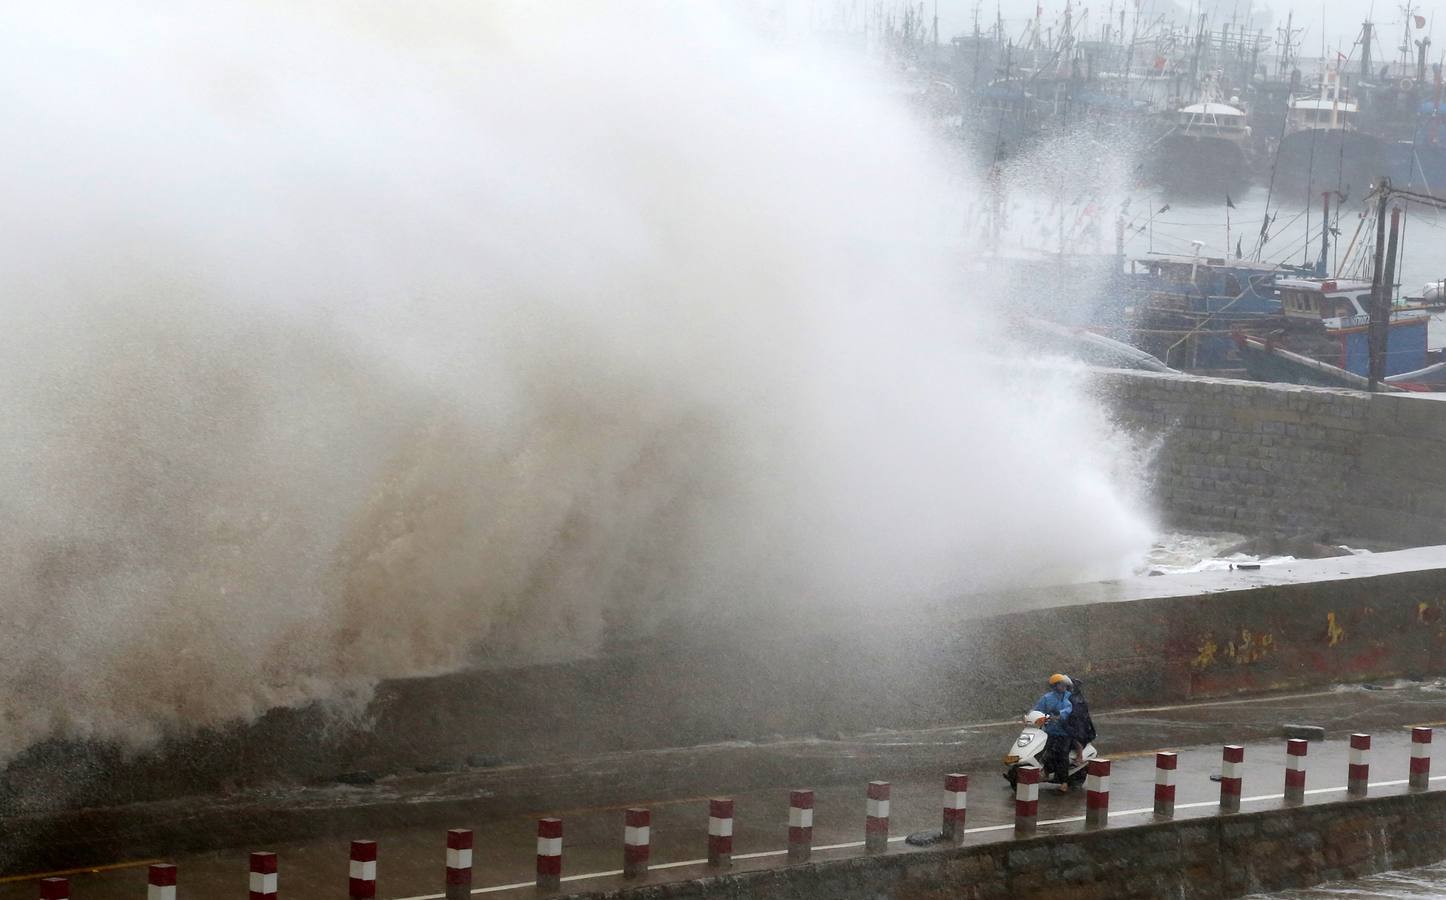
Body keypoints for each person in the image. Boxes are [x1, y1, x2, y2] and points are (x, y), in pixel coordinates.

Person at [1032, 674, 1074, 791]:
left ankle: (1064, 781)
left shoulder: (1069, 697)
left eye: (1064, 684)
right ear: (1055, 686)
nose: (1063, 686)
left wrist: (1060, 714)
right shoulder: (1047, 698)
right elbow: (1037, 710)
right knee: (1045, 752)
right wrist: (1031, 716)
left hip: (1065, 732)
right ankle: (1045, 772)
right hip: (1050, 731)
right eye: (1061, 684)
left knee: (1062, 755)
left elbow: (1069, 709)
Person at [1065, 677, 1097, 763]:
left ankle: (1079, 755)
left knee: (1072, 735)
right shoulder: (1061, 696)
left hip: (1077, 724)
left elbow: (1076, 712)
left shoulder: (1077, 699)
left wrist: (1067, 715)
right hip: (1069, 721)